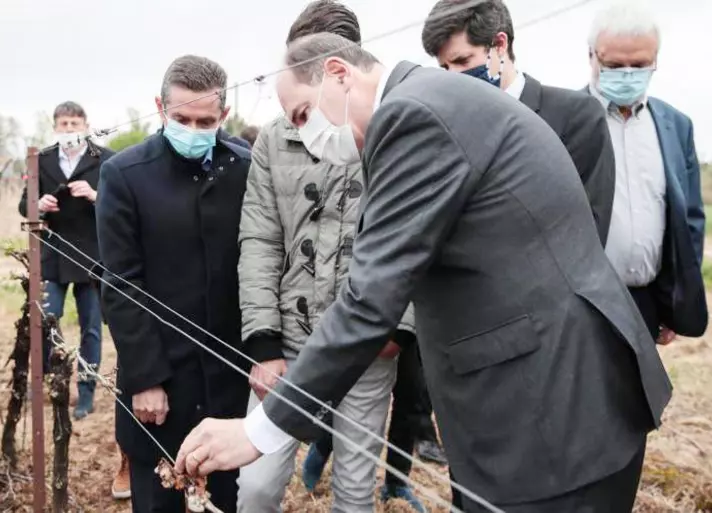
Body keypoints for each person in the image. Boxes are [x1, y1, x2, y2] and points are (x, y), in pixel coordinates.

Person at [176, 34, 674, 512]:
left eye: (304, 114)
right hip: (551, 399)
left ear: (338, 73)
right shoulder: (432, 99)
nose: (306, 135)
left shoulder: (412, 115)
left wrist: (259, 429)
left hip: (551, 410)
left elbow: (370, 301)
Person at [234, 2, 418, 511]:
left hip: (367, 343)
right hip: (288, 345)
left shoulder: (392, 130)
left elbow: (416, 237)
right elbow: (261, 238)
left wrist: (396, 328)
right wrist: (265, 340)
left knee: (355, 489)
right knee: (256, 484)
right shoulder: (275, 137)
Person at [96, 55, 251, 513]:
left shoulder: (244, 168)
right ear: (159, 109)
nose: (193, 128)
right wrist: (145, 377)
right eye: (181, 118)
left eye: (206, 121)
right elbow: (121, 283)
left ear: (224, 116)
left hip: (223, 375)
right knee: (158, 497)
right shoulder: (124, 175)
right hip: (158, 381)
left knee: (222, 497)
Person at [421, 0, 615, 246]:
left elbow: (587, 233)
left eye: (462, 61)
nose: (453, 77)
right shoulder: (446, 130)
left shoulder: (576, 117)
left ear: (500, 44)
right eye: (445, 67)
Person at [586, 2, 708, 343]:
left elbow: (690, 220)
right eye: (614, 65)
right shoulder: (564, 119)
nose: (627, 74)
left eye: (639, 65)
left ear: (656, 60)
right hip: (583, 304)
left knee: (643, 397)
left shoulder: (676, 126)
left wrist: (674, 302)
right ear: (592, 56)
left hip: (646, 301)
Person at [18, 101, 114, 420]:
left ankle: (85, 394)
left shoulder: (106, 160)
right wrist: (39, 204)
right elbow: (24, 206)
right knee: (47, 321)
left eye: (75, 124)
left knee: (90, 328)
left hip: (91, 257)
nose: (70, 130)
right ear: (55, 127)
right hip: (54, 254)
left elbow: (120, 205)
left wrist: (96, 195)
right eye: (64, 124)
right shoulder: (40, 159)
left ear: (86, 124)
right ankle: (48, 381)